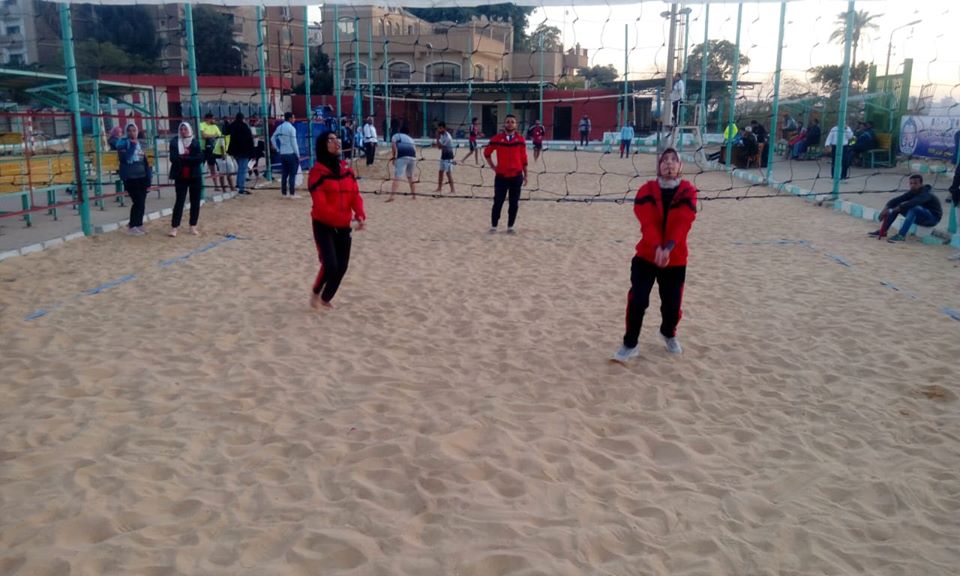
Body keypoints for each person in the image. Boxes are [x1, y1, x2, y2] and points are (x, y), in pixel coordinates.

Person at [612, 148, 697, 363]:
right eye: (664, 160)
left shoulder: (688, 190)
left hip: (675, 259)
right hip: (647, 256)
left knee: (672, 306)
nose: (669, 163)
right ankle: (630, 344)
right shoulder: (646, 190)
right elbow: (647, 222)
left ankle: (668, 333)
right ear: (659, 166)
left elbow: (684, 221)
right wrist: (658, 247)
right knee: (638, 299)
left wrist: (668, 248)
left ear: (680, 166)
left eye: (674, 160)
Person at [307, 132, 366, 309]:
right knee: (330, 265)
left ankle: (325, 298)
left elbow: (355, 195)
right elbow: (321, 206)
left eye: (336, 139)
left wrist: (360, 215)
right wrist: (345, 221)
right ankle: (315, 293)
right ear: (323, 145)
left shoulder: (346, 170)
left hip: (343, 226)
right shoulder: (316, 173)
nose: (336, 142)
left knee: (342, 266)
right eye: (331, 140)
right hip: (323, 225)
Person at [484, 114, 528, 233]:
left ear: (516, 125)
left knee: (514, 203)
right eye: (508, 121)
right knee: (498, 202)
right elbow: (487, 153)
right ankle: (494, 226)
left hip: (516, 176)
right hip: (501, 176)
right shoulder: (497, 139)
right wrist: (493, 166)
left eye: (512, 122)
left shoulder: (520, 140)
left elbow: (524, 159)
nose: (510, 124)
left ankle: (510, 226)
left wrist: (526, 175)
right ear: (504, 124)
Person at [868, 174, 942, 242]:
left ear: (921, 184)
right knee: (896, 205)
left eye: (915, 183)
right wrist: (886, 208)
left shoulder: (927, 193)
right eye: (911, 183)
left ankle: (901, 235)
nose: (912, 185)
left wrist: (892, 210)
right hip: (920, 217)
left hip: (932, 219)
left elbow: (913, 202)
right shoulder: (913, 191)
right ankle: (883, 231)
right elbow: (898, 199)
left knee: (913, 208)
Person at [109, 121, 152, 236]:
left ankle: (139, 224)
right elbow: (126, 158)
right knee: (137, 201)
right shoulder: (121, 144)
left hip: (142, 176)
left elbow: (145, 162)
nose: (131, 133)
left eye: (134, 130)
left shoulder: (140, 144)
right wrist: (132, 145)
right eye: (129, 130)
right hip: (130, 177)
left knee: (142, 202)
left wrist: (149, 177)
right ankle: (132, 226)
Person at [168, 122, 203, 237]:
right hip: (180, 176)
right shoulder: (174, 142)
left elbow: (199, 158)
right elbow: (173, 158)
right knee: (179, 201)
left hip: (194, 176)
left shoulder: (195, 142)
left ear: (189, 130)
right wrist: (188, 158)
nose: (183, 131)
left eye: (185, 129)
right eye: (181, 129)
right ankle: (174, 227)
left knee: (195, 201)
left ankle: (193, 225)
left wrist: (184, 157)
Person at [272, 111, 301, 198]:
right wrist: (298, 154)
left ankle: (284, 193)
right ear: (290, 118)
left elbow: (272, 138)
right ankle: (292, 193)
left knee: (284, 174)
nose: (294, 119)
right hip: (291, 153)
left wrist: (277, 148)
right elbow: (294, 143)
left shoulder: (279, 127)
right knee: (292, 174)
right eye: (293, 117)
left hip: (282, 153)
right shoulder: (292, 129)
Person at [387, 124, 417, 202]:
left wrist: (394, 157)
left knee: (397, 176)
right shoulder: (411, 139)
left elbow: (394, 146)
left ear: (400, 131)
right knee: (410, 176)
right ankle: (414, 195)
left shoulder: (396, 135)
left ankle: (392, 196)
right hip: (413, 157)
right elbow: (415, 150)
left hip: (402, 156)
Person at [227, 112, 254, 195]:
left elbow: (226, 133)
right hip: (244, 151)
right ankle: (241, 187)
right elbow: (250, 140)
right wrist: (252, 152)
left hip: (235, 151)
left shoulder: (232, 126)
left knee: (240, 168)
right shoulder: (245, 127)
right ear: (243, 119)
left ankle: (239, 184)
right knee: (242, 169)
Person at [199, 112, 223, 192]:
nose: (214, 120)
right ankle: (199, 185)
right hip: (202, 149)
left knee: (212, 167)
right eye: (213, 118)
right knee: (200, 167)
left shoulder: (215, 126)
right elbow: (203, 135)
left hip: (211, 149)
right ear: (208, 119)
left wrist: (209, 135)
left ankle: (216, 185)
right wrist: (213, 135)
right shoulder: (202, 125)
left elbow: (219, 135)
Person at [434, 121, 455, 194]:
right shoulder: (442, 135)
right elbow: (439, 147)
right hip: (443, 155)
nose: (439, 130)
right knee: (440, 172)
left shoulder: (448, 137)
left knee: (448, 173)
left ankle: (453, 190)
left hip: (449, 156)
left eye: (440, 128)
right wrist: (437, 139)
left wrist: (437, 138)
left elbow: (440, 147)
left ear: (444, 128)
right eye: (438, 128)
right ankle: (439, 188)